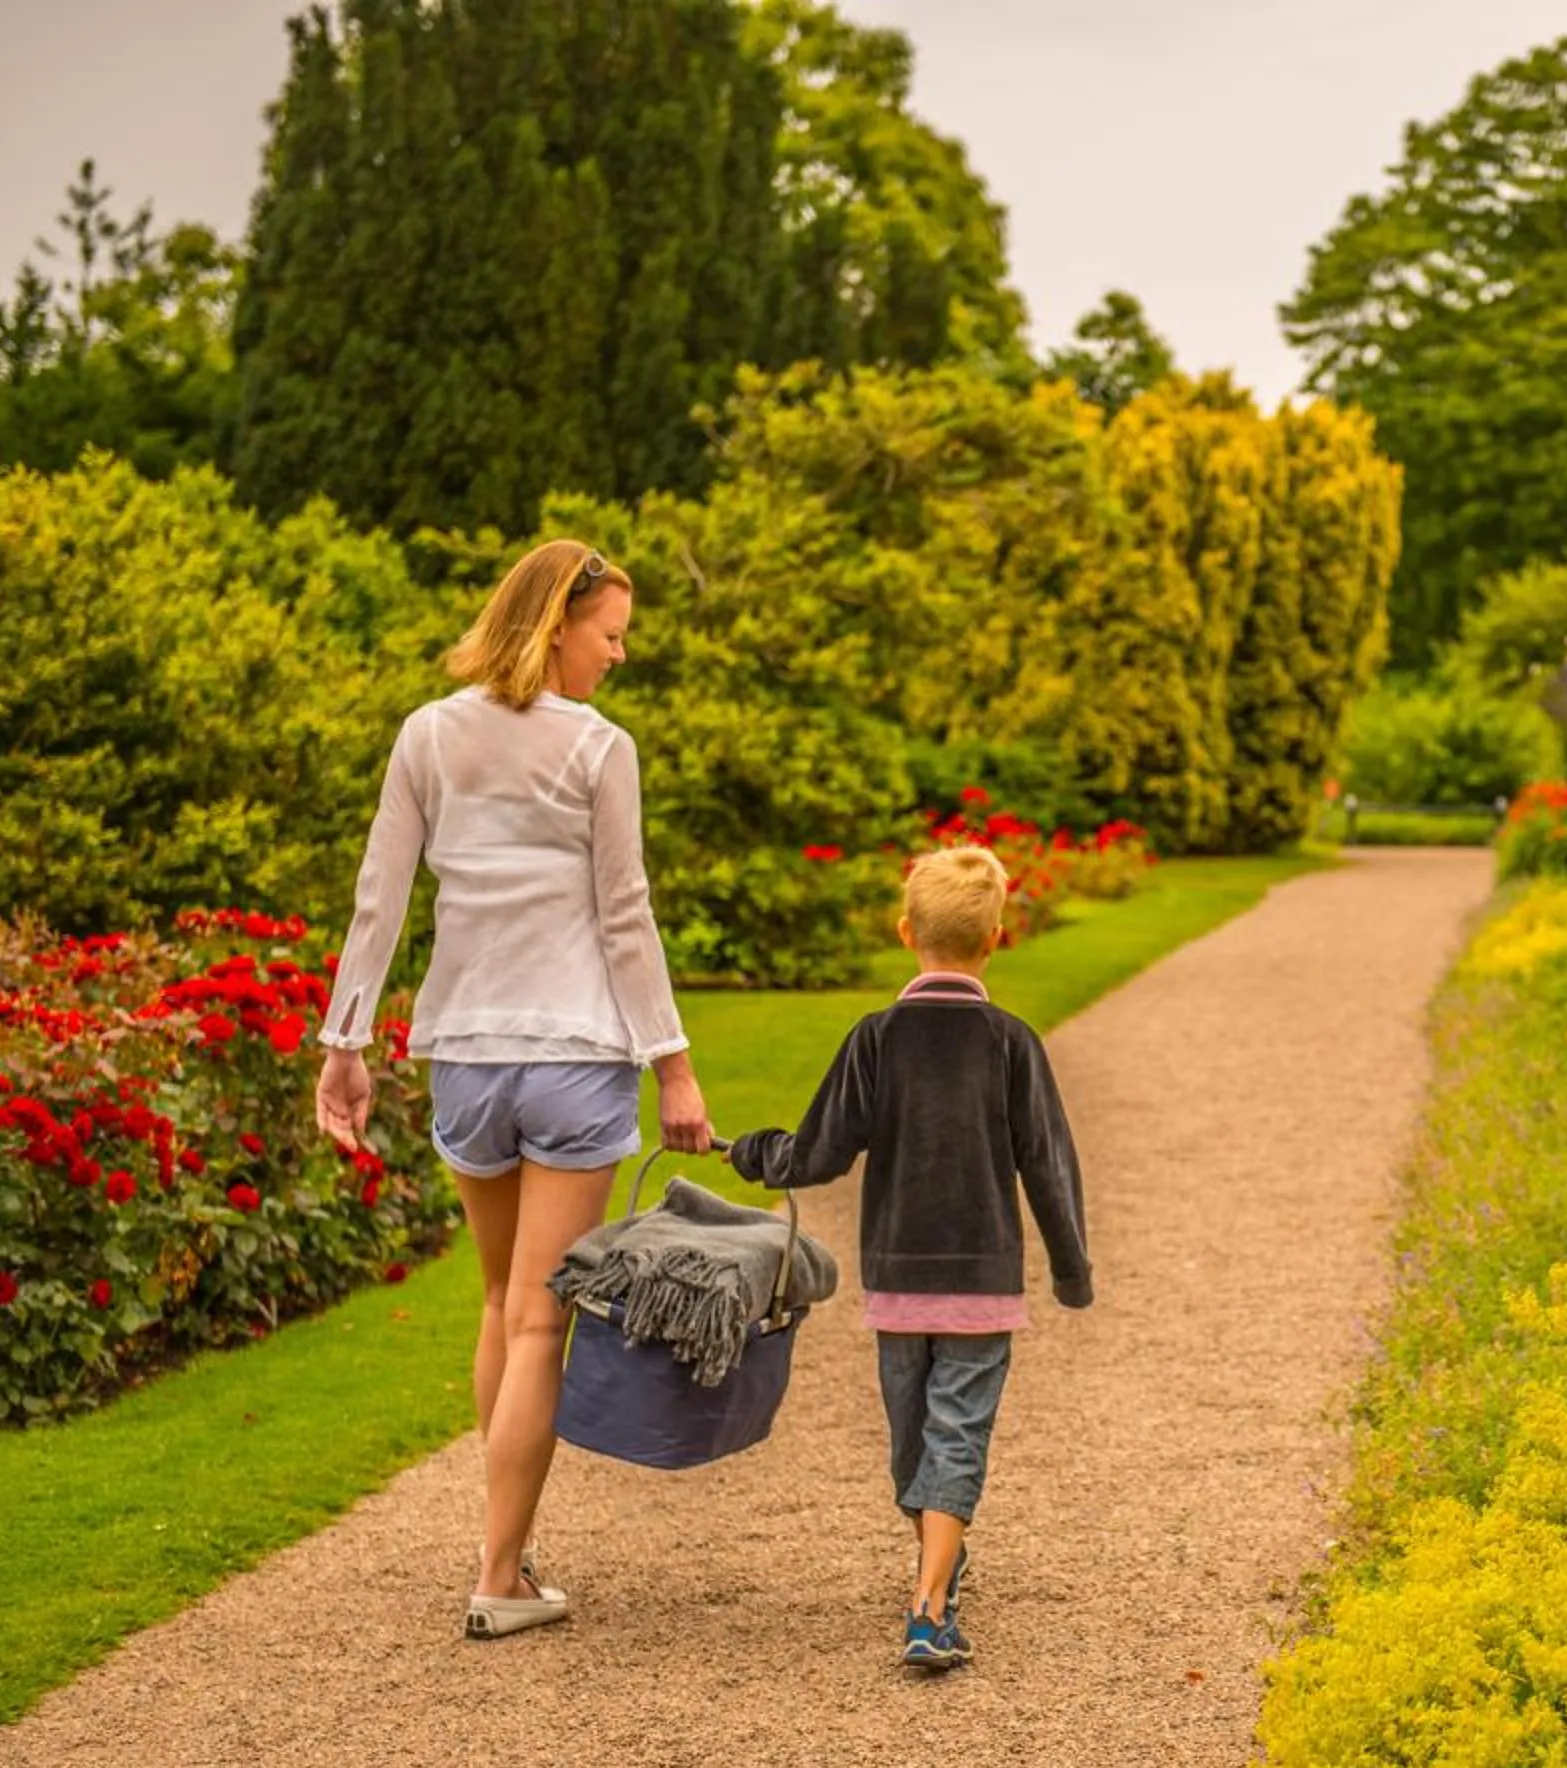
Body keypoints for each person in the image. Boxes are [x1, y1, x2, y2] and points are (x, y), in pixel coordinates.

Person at [312, 539, 714, 1640]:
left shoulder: (427, 733)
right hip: (577, 1052)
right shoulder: (599, 749)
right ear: (557, 625)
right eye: (612, 634)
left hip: (467, 1056)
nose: (619, 657)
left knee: (501, 1303)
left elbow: (378, 897)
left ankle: (511, 1547)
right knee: (545, 1320)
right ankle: (498, 1575)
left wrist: (344, 1040)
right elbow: (625, 912)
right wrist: (672, 1064)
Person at [727, 846, 1092, 1669]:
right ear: (995, 939)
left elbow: (818, 1152)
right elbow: (1050, 1165)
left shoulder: (908, 1039)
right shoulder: (968, 1041)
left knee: (941, 1437)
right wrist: (1070, 1268)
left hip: (925, 1282)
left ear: (905, 933)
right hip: (954, 1282)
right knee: (923, 1447)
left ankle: (929, 1607)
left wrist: (757, 1153)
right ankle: (942, 1549)